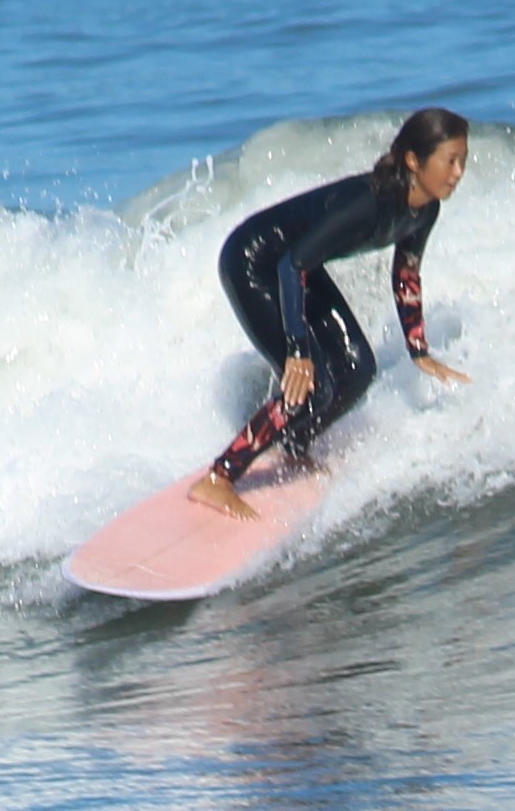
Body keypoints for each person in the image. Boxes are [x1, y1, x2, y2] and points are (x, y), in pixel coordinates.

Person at [190, 107, 475, 517]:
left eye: (464, 160)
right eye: (451, 160)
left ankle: (292, 445)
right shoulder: (369, 203)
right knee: (310, 381)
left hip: (297, 267)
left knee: (358, 368)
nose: (458, 171)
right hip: (254, 262)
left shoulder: (426, 209)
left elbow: (406, 273)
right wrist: (298, 349)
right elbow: (292, 265)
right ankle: (218, 478)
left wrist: (419, 349)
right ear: (414, 160)